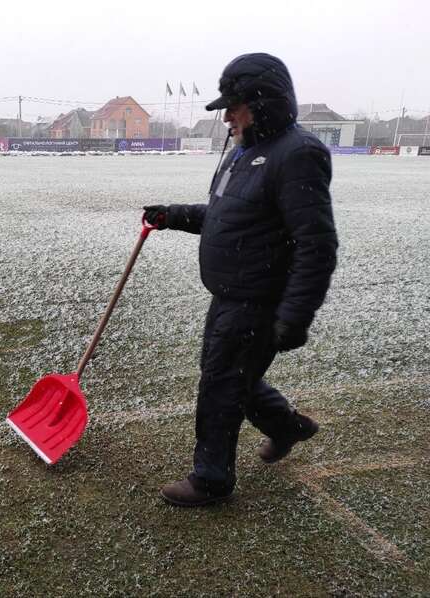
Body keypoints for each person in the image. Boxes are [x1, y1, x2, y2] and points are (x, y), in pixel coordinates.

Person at [143, 53, 338, 507]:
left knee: (221, 385)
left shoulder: (298, 154)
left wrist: (295, 315)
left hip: (259, 299)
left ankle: (211, 479)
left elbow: (317, 244)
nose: (227, 116)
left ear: (263, 103)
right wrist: (174, 216)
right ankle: (287, 426)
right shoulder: (244, 150)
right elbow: (227, 217)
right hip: (230, 295)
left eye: (235, 106)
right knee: (232, 378)